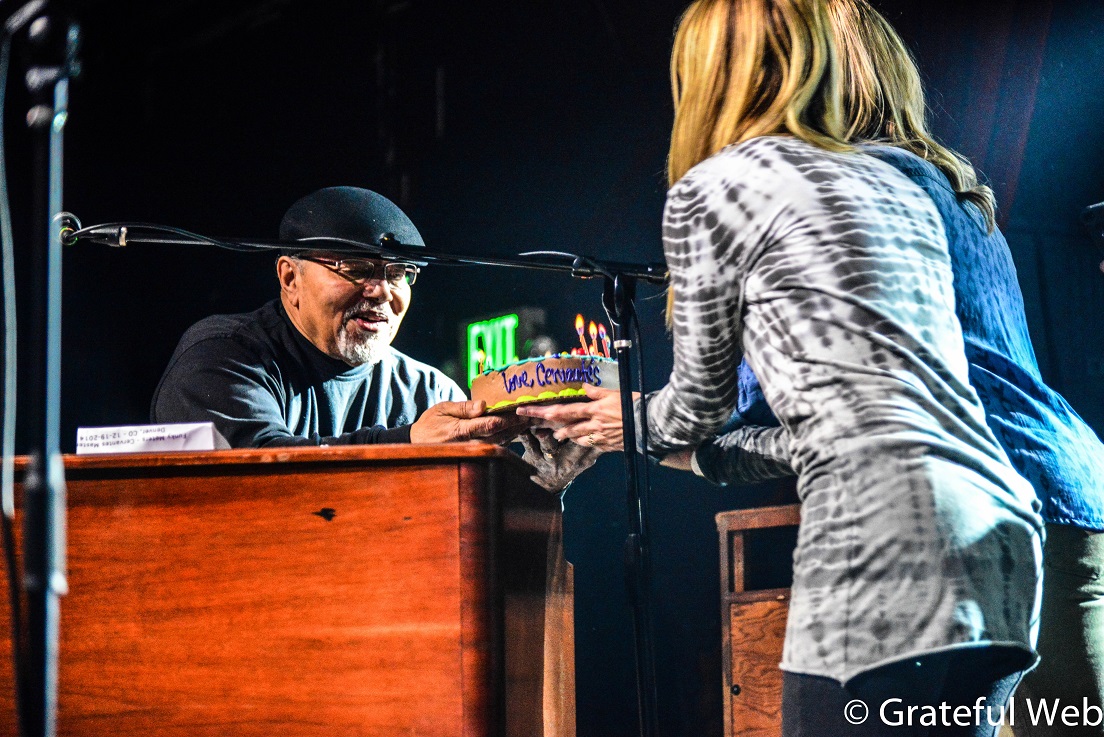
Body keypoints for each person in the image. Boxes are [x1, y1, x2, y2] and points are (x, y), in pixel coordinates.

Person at [520, 1, 1043, 734]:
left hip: (880, 548)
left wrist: (622, 415)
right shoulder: (904, 184)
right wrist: (648, 434)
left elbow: (693, 409)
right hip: (999, 539)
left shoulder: (715, 188)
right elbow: (831, 433)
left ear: (707, 74)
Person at [152, 186, 527, 448]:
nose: (381, 290)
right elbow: (261, 481)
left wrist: (550, 478)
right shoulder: (223, 357)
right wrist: (408, 441)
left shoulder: (429, 392)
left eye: (398, 273)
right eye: (356, 267)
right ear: (290, 278)